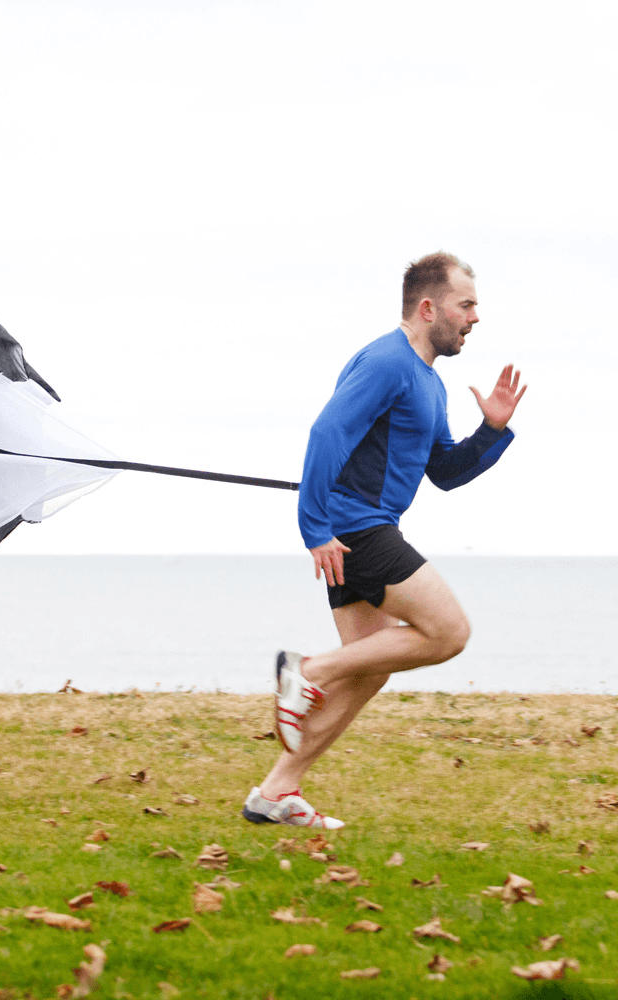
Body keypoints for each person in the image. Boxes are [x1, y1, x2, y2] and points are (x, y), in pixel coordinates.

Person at [242, 252, 527, 829]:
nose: (474, 318)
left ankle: (276, 792)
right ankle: (309, 672)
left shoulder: (427, 382)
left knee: (369, 669)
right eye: (465, 305)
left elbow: (444, 471)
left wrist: (491, 430)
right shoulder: (386, 362)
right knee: (449, 632)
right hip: (355, 529)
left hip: (364, 527)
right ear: (429, 308)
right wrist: (315, 530)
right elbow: (328, 431)